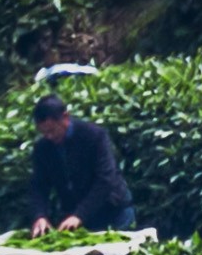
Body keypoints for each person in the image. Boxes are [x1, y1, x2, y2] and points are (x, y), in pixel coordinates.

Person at [25, 89, 132, 233]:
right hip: (76, 214)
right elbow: (38, 185)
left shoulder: (94, 136)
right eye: (44, 133)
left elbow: (106, 179)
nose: (49, 136)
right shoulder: (43, 147)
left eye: (52, 130)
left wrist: (79, 215)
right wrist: (40, 215)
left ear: (65, 117)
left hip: (113, 209)